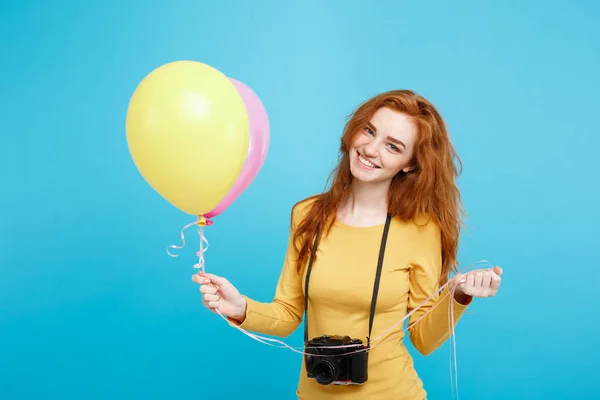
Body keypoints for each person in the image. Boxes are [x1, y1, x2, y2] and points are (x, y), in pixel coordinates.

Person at [192, 89, 503, 399]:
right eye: (369, 130)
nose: (370, 149)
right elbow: (287, 314)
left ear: (409, 164)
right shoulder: (306, 215)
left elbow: (422, 339)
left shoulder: (421, 230)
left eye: (392, 146)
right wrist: (241, 307)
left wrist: (458, 294)